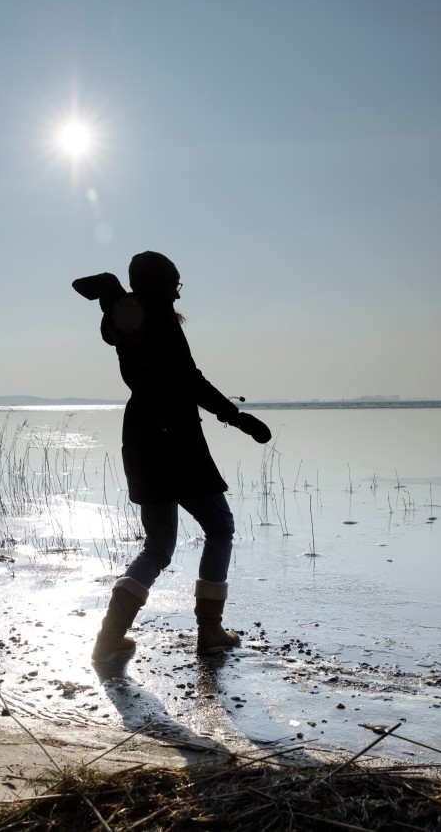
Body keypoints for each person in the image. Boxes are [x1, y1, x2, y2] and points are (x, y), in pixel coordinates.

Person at [73, 251, 272, 665]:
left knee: (159, 545)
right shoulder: (156, 318)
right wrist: (236, 417)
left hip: (142, 435)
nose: (178, 292)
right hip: (173, 437)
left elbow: (119, 327)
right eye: (175, 284)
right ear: (162, 285)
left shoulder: (132, 317)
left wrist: (112, 294)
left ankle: (109, 638)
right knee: (220, 526)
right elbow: (188, 379)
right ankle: (210, 632)